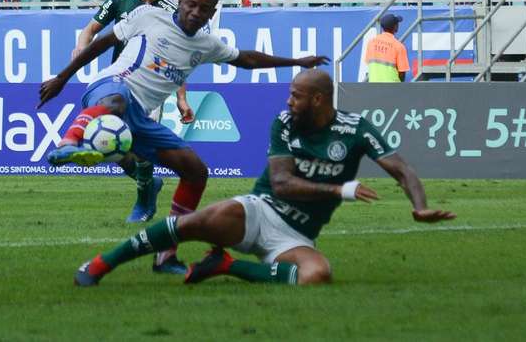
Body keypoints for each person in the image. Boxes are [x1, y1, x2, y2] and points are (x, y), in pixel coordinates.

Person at [38, 0, 330, 274]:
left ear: (212, 12)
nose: (195, 12)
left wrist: (296, 62)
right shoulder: (148, 16)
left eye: (204, 9)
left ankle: (166, 255)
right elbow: (103, 43)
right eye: (191, 4)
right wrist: (63, 77)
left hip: (140, 115)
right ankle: (67, 143)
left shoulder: (205, 44)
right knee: (117, 103)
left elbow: (247, 59)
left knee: (195, 172)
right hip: (111, 87)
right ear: (180, 1)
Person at [73, 69, 455, 287]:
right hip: (261, 210)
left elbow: (401, 167)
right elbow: (284, 183)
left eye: (297, 96)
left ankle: (226, 266)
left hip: (296, 235)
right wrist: (341, 189)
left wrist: (419, 207)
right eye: (290, 94)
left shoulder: (356, 129)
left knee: (317, 276)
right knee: (192, 223)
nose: (289, 102)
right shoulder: (285, 122)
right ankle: (101, 264)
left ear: (319, 100)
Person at [73, 0, 179, 222]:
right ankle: (149, 185)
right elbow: (90, 30)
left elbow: (178, 56)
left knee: (138, 149)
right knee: (111, 144)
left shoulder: (170, 10)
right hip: (116, 83)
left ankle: (144, 198)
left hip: (150, 87)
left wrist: (181, 97)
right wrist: (80, 52)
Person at [365, 14, 410, 81]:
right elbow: (402, 73)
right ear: (395, 27)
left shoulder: (371, 43)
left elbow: (368, 63)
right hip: (392, 87)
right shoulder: (399, 46)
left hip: (374, 85)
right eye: (397, 24)